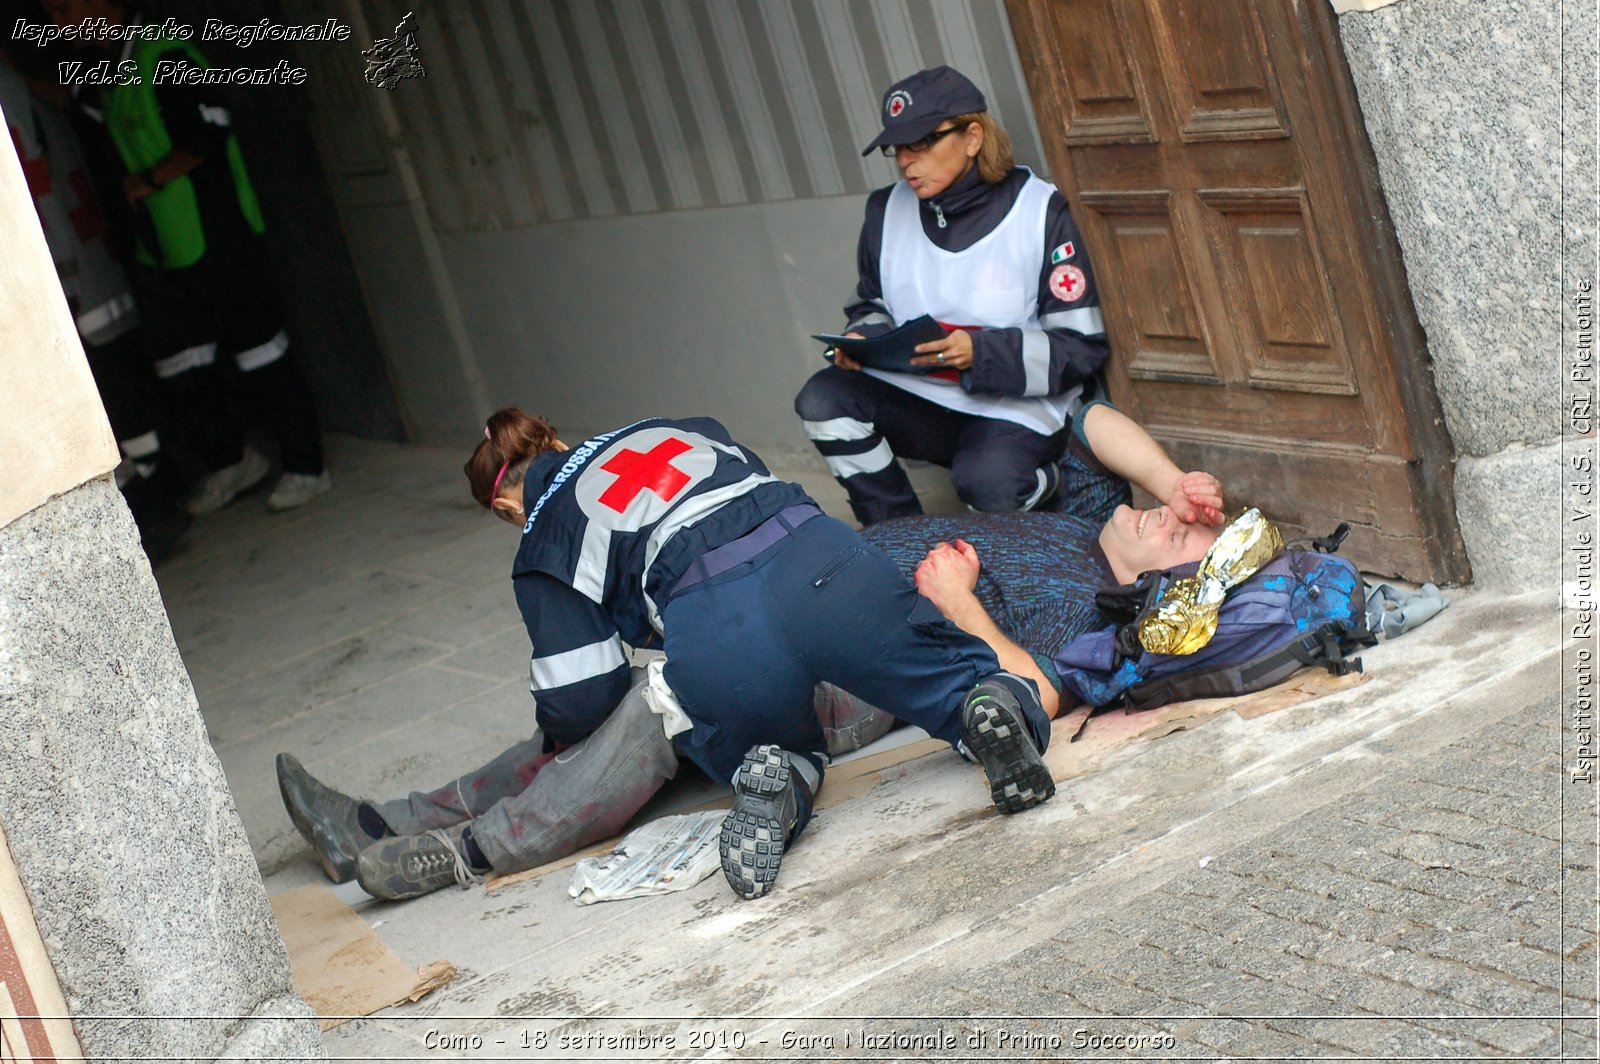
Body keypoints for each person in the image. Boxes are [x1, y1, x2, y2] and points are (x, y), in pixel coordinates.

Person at [282, 409, 1056, 903]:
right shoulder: (675, 428)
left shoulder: (545, 537)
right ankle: (988, 716)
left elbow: (581, 701)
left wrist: (560, 737)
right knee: (959, 685)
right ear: (555, 440)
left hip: (722, 632)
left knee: (659, 708)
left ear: (508, 506)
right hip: (828, 564)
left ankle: (454, 845)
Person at [42, 0, 330, 514]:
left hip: (216, 233)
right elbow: (78, 107)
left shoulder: (163, 51)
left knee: (260, 348)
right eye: (53, 15)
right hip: (160, 247)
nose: (62, 24)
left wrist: (148, 180)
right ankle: (232, 462)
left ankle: (308, 466)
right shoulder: (108, 70)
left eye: (66, 9)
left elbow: (208, 132)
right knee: (180, 362)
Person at [795, 66, 1109, 526]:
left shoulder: (1039, 210)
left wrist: (978, 352)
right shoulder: (885, 211)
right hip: (924, 394)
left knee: (989, 486)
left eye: (921, 143)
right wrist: (863, 339)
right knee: (823, 401)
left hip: (1016, 403)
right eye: (897, 148)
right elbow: (871, 303)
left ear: (973, 137)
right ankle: (898, 533)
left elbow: (1081, 347)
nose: (906, 161)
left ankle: (1057, 480)